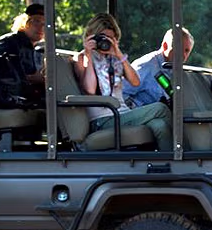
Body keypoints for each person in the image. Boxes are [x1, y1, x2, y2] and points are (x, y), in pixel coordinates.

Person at [71, 13, 171, 151]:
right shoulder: (82, 58)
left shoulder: (115, 59)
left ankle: (170, 160)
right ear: (91, 36)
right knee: (160, 108)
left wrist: (118, 53)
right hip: (103, 119)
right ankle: (187, 153)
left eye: (110, 39)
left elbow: (135, 82)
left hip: (122, 114)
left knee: (160, 125)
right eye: (102, 38)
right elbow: (90, 89)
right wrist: (89, 54)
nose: (105, 42)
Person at [0, 2, 46, 107]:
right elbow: (3, 76)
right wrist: (32, 79)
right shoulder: (9, 42)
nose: (41, 27)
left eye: (45, 24)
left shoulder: (35, 50)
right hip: (8, 96)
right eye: (36, 21)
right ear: (24, 22)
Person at [126, 27, 196, 108]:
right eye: (179, 49)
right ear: (165, 46)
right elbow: (121, 93)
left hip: (164, 114)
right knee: (161, 109)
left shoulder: (180, 72)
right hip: (139, 113)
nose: (183, 55)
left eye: (186, 51)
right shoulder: (146, 66)